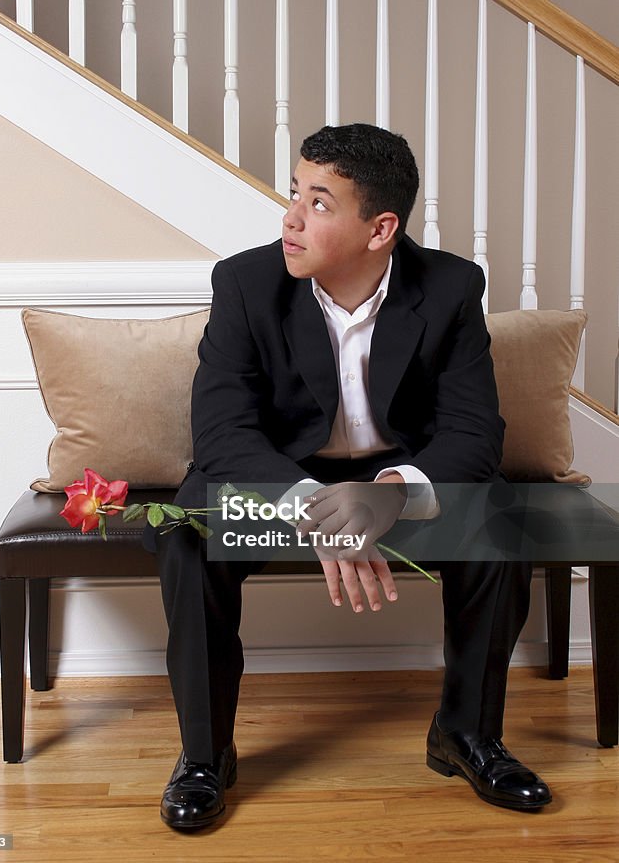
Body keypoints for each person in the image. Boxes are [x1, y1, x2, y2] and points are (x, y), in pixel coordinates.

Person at [143, 123, 552, 829]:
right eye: (295, 192)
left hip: (394, 472)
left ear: (379, 227)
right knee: (187, 538)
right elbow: (221, 434)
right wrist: (316, 508)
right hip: (279, 476)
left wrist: (390, 493)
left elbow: (473, 433)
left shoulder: (451, 286)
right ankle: (205, 756)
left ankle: (466, 735)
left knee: (499, 522)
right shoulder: (245, 282)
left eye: (320, 203)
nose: (291, 218)